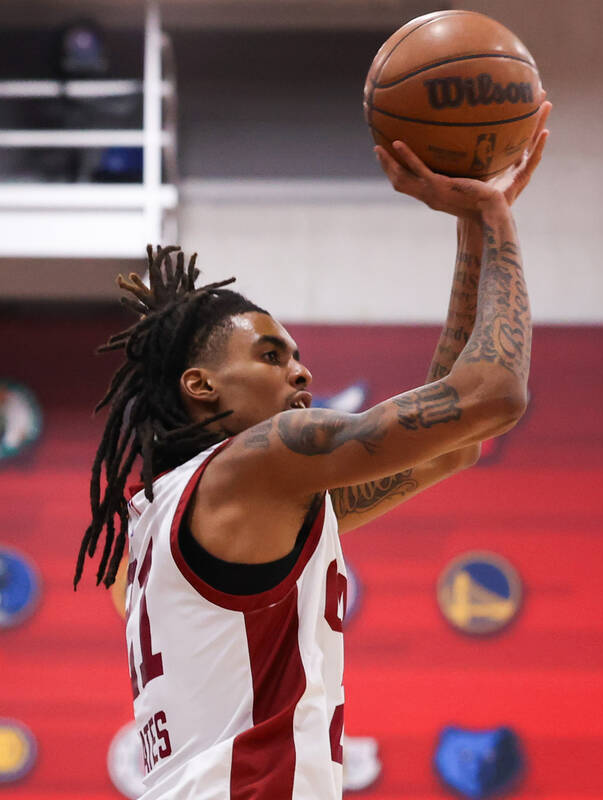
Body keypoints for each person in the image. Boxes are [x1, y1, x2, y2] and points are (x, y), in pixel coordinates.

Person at [75, 105, 550, 799]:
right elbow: (495, 395)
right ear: (200, 385)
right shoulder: (264, 458)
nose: (300, 373)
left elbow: (455, 445)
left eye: (298, 357)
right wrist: (499, 217)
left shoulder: (161, 517)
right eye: (271, 356)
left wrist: (472, 224)